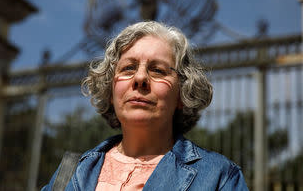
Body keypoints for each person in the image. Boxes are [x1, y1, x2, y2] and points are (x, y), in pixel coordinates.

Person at [42, 21, 249, 190]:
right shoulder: (69, 173)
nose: (140, 78)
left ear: (182, 94)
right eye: (128, 68)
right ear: (110, 90)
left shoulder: (219, 178)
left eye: (158, 70)